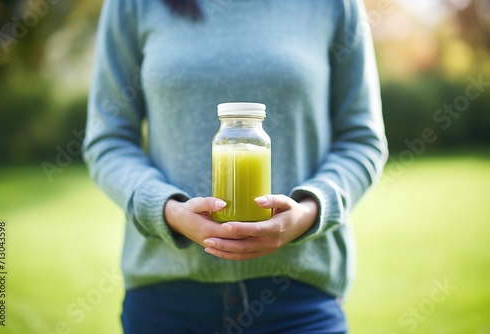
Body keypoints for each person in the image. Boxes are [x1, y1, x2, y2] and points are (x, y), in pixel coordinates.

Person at [83, 0, 388, 333]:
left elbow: (361, 140)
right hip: (165, 300)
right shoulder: (132, 5)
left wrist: (309, 210)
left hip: (298, 296)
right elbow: (107, 140)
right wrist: (166, 209)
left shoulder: (334, 6)